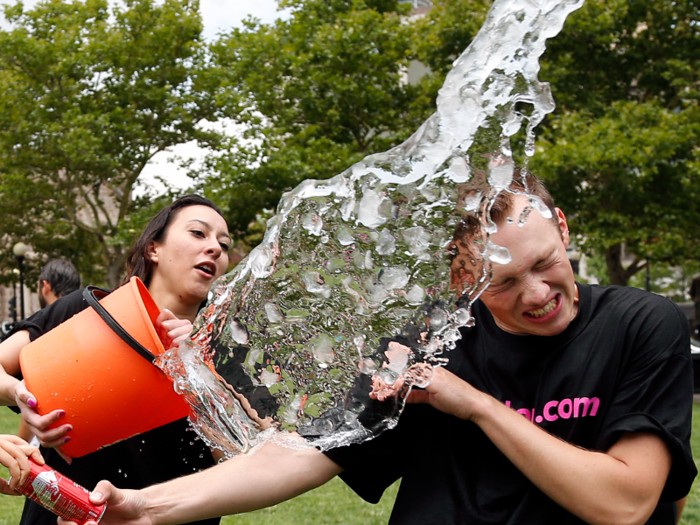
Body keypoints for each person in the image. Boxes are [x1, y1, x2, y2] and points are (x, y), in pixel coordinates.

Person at [62, 175, 696, 525]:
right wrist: (146, 506)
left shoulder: (642, 324)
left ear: (562, 229)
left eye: (546, 264)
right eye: (502, 283)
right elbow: (304, 455)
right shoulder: (432, 339)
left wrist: (473, 405)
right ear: (462, 279)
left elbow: (625, 502)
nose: (536, 294)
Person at [0, 194, 232, 525]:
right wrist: (20, 396)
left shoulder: (223, 357)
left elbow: (245, 464)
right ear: (154, 249)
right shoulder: (89, 311)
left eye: (223, 245)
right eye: (198, 233)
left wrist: (198, 372)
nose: (215, 249)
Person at [17, 258, 81, 443]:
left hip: (52, 435)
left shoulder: (47, 323)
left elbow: (34, 392)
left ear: (45, 286)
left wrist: (21, 446)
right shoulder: (88, 315)